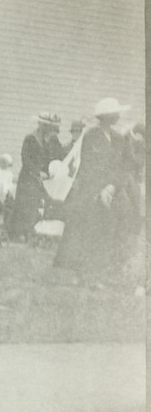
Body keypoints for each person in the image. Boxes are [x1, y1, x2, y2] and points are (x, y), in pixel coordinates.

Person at [54, 98, 136, 278]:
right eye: (115, 114)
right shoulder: (91, 136)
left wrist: (113, 185)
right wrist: (100, 189)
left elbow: (127, 164)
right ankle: (85, 272)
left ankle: (111, 268)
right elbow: (89, 166)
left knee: (121, 224)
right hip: (92, 190)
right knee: (90, 230)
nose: (118, 116)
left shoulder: (119, 139)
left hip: (114, 189)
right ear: (107, 117)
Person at [8, 112, 65, 239]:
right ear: (39, 124)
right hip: (28, 177)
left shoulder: (51, 139)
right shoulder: (31, 138)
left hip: (42, 179)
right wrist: (37, 171)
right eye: (44, 125)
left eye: (48, 125)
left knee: (37, 204)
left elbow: (58, 154)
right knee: (24, 204)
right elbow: (26, 159)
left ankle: (32, 231)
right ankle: (17, 233)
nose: (46, 128)